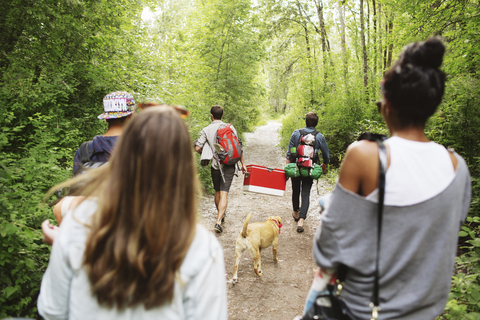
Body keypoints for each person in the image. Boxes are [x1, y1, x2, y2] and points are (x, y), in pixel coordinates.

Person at [306, 38, 471, 319]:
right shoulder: (458, 167)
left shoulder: (366, 156)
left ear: (387, 106)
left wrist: (330, 209)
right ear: (432, 106)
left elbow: (328, 251)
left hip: (365, 311)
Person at [38, 106, 228, 319]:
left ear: (122, 156)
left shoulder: (78, 222)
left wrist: (68, 241)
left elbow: (51, 311)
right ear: (182, 170)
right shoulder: (200, 247)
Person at [194, 105, 246, 234]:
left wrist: (205, 152)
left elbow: (197, 148)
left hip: (216, 165)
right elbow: (237, 146)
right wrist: (243, 164)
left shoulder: (206, 129)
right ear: (222, 115)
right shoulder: (230, 127)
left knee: (217, 191)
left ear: (211, 115)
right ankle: (218, 221)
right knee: (224, 193)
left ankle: (220, 218)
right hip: (229, 164)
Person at [72, 91, 135, 176]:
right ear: (131, 115)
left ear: (106, 118)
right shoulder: (140, 147)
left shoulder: (85, 150)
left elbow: (76, 186)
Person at [286, 112, 329, 233]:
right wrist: (324, 164)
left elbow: (290, 150)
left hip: (296, 166)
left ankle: (296, 213)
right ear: (316, 123)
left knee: (296, 189)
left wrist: (288, 165)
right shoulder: (319, 136)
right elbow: (326, 154)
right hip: (309, 168)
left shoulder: (296, 133)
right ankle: (301, 221)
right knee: (305, 193)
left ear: (305, 121)